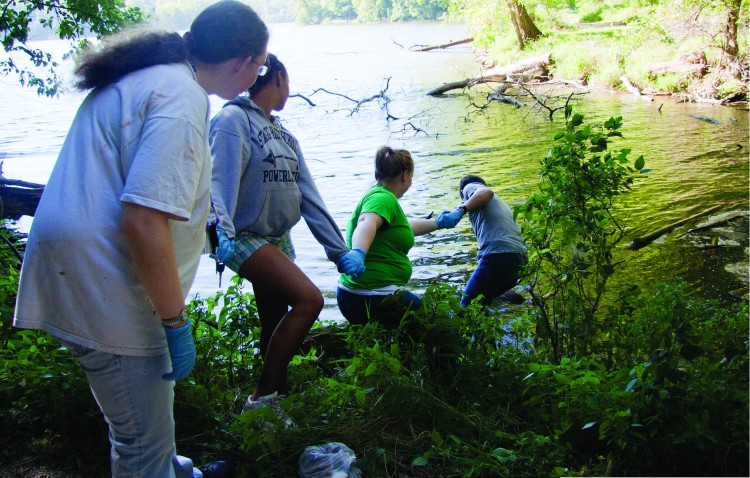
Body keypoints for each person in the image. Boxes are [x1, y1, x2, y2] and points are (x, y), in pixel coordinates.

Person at [13, 2, 269, 476]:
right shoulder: (181, 97)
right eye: (262, 64)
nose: (260, 73)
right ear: (242, 63)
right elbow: (144, 220)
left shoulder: (156, 77)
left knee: (144, 411)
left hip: (84, 265)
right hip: (107, 280)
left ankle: (173, 466)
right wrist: (174, 322)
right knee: (139, 443)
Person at [209, 53, 355, 409]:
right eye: (287, 81)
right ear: (277, 79)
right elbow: (217, 180)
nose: (289, 89)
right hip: (243, 236)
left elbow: (309, 195)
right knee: (310, 300)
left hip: (278, 237)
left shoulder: (285, 135)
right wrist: (222, 233)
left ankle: (277, 398)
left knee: (274, 321)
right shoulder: (233, 119)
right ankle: (260, 397)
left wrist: (339, 251)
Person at [336, 146, 464, 327]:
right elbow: (367, 222)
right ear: (405, 175)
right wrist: (358, 252)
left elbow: (402, 228)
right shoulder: (383, 199)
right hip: (374, 295)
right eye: (411, 176)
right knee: (442, 332)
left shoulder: (380, 197)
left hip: (356, 294)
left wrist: (439, 223)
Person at [457, 175, 527, 307]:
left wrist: (462, 209)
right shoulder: (499, 204)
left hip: (499, 255)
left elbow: (486, 192)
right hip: (520, 259)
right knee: (483, 300)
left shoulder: (469, 187)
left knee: (467, 306)